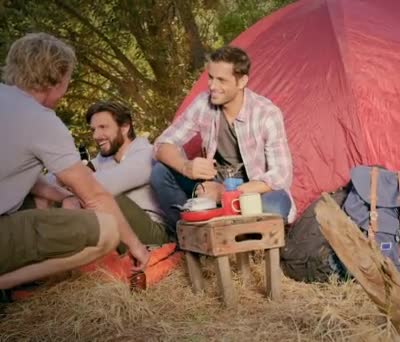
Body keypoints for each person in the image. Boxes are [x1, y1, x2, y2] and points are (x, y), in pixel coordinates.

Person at [0, 33, 149, 296]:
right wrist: (136, 246)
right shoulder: (39, 119)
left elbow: (12, 171)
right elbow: (96, 195)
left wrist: (64, 193)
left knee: (41, 202)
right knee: (108, 230)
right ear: (57, 78)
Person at [151, 46, 294, 232]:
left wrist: (226, 194)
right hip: (212, 186)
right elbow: (161, 145)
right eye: (210, 77)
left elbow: (281, 175)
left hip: (252, 190)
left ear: (242, 81)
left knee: (274, 208)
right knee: (160, 172)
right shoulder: (204, 103)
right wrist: (186, 167)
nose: (212, 86)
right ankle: (193, 237)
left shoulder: (266, 113)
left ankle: (239, 236)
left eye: (221, 80)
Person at [84, 101, 172, 247]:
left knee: (106, 197)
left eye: (103, 127)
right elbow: (65, 174)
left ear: (125, 127)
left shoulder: (147, 154)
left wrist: (73, 183)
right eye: (93, 130)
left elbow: (105, 186)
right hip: (122, 231)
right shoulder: (104, 160)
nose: (96, 136)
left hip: (155, 232)